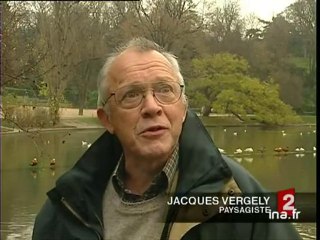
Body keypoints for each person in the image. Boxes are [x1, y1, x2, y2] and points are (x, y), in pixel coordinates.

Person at [32, 37, 302, 240]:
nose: (152, 106)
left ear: (183, 109)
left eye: (164, 90)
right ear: (107, 119)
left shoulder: (238, 194)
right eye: (131, 95)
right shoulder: (64, 210)